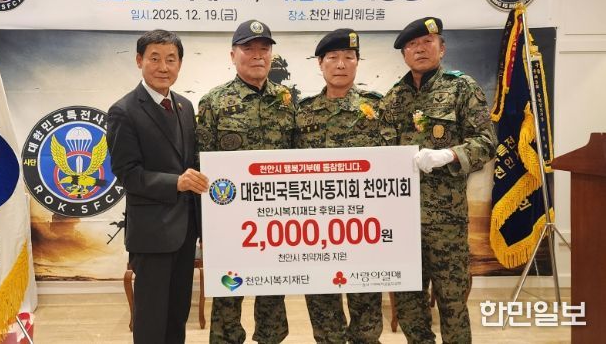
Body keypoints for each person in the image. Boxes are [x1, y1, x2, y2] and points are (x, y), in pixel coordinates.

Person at [380, 17, 497, 343]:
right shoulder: (393, 99)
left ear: (441, 48)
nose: (420, 49)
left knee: (452, 303)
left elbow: (487, 142)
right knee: (410, 304)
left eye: (427, 42)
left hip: (446, 221)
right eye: (412, 45)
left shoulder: (462, 88)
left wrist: (450, 155)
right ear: (404, 53)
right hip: (402, 222)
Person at [196, 19, 296, 343]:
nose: (257, 55)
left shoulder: (287, 101)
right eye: (248, 49)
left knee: (272, 302)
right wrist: (205, 228)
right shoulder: (213, 102)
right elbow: (200, 166)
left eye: (264, 49)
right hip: (229, 224)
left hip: (276, 223)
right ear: (233, 55)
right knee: (228, 303)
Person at [106, 29, 209, 344]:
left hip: (185, 231)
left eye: (171, 59)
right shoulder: (124, 111)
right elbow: (127, 174)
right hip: (152, 234)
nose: (163, 67)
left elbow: (192, 163)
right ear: (139, 61)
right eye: (155, 58)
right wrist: (176, 182)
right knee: (151, 320)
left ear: (180, 64)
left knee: (177, 315)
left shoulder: (185, 107)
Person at [295, 28, 388, 344]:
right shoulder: (303, 112)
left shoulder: (379, 109)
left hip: (364, 228)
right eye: (333, 57)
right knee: (324, 315)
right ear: (320, 64)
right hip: (316, 230)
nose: (340, 64)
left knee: (366, 317)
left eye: (349, 57)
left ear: (358, 62)